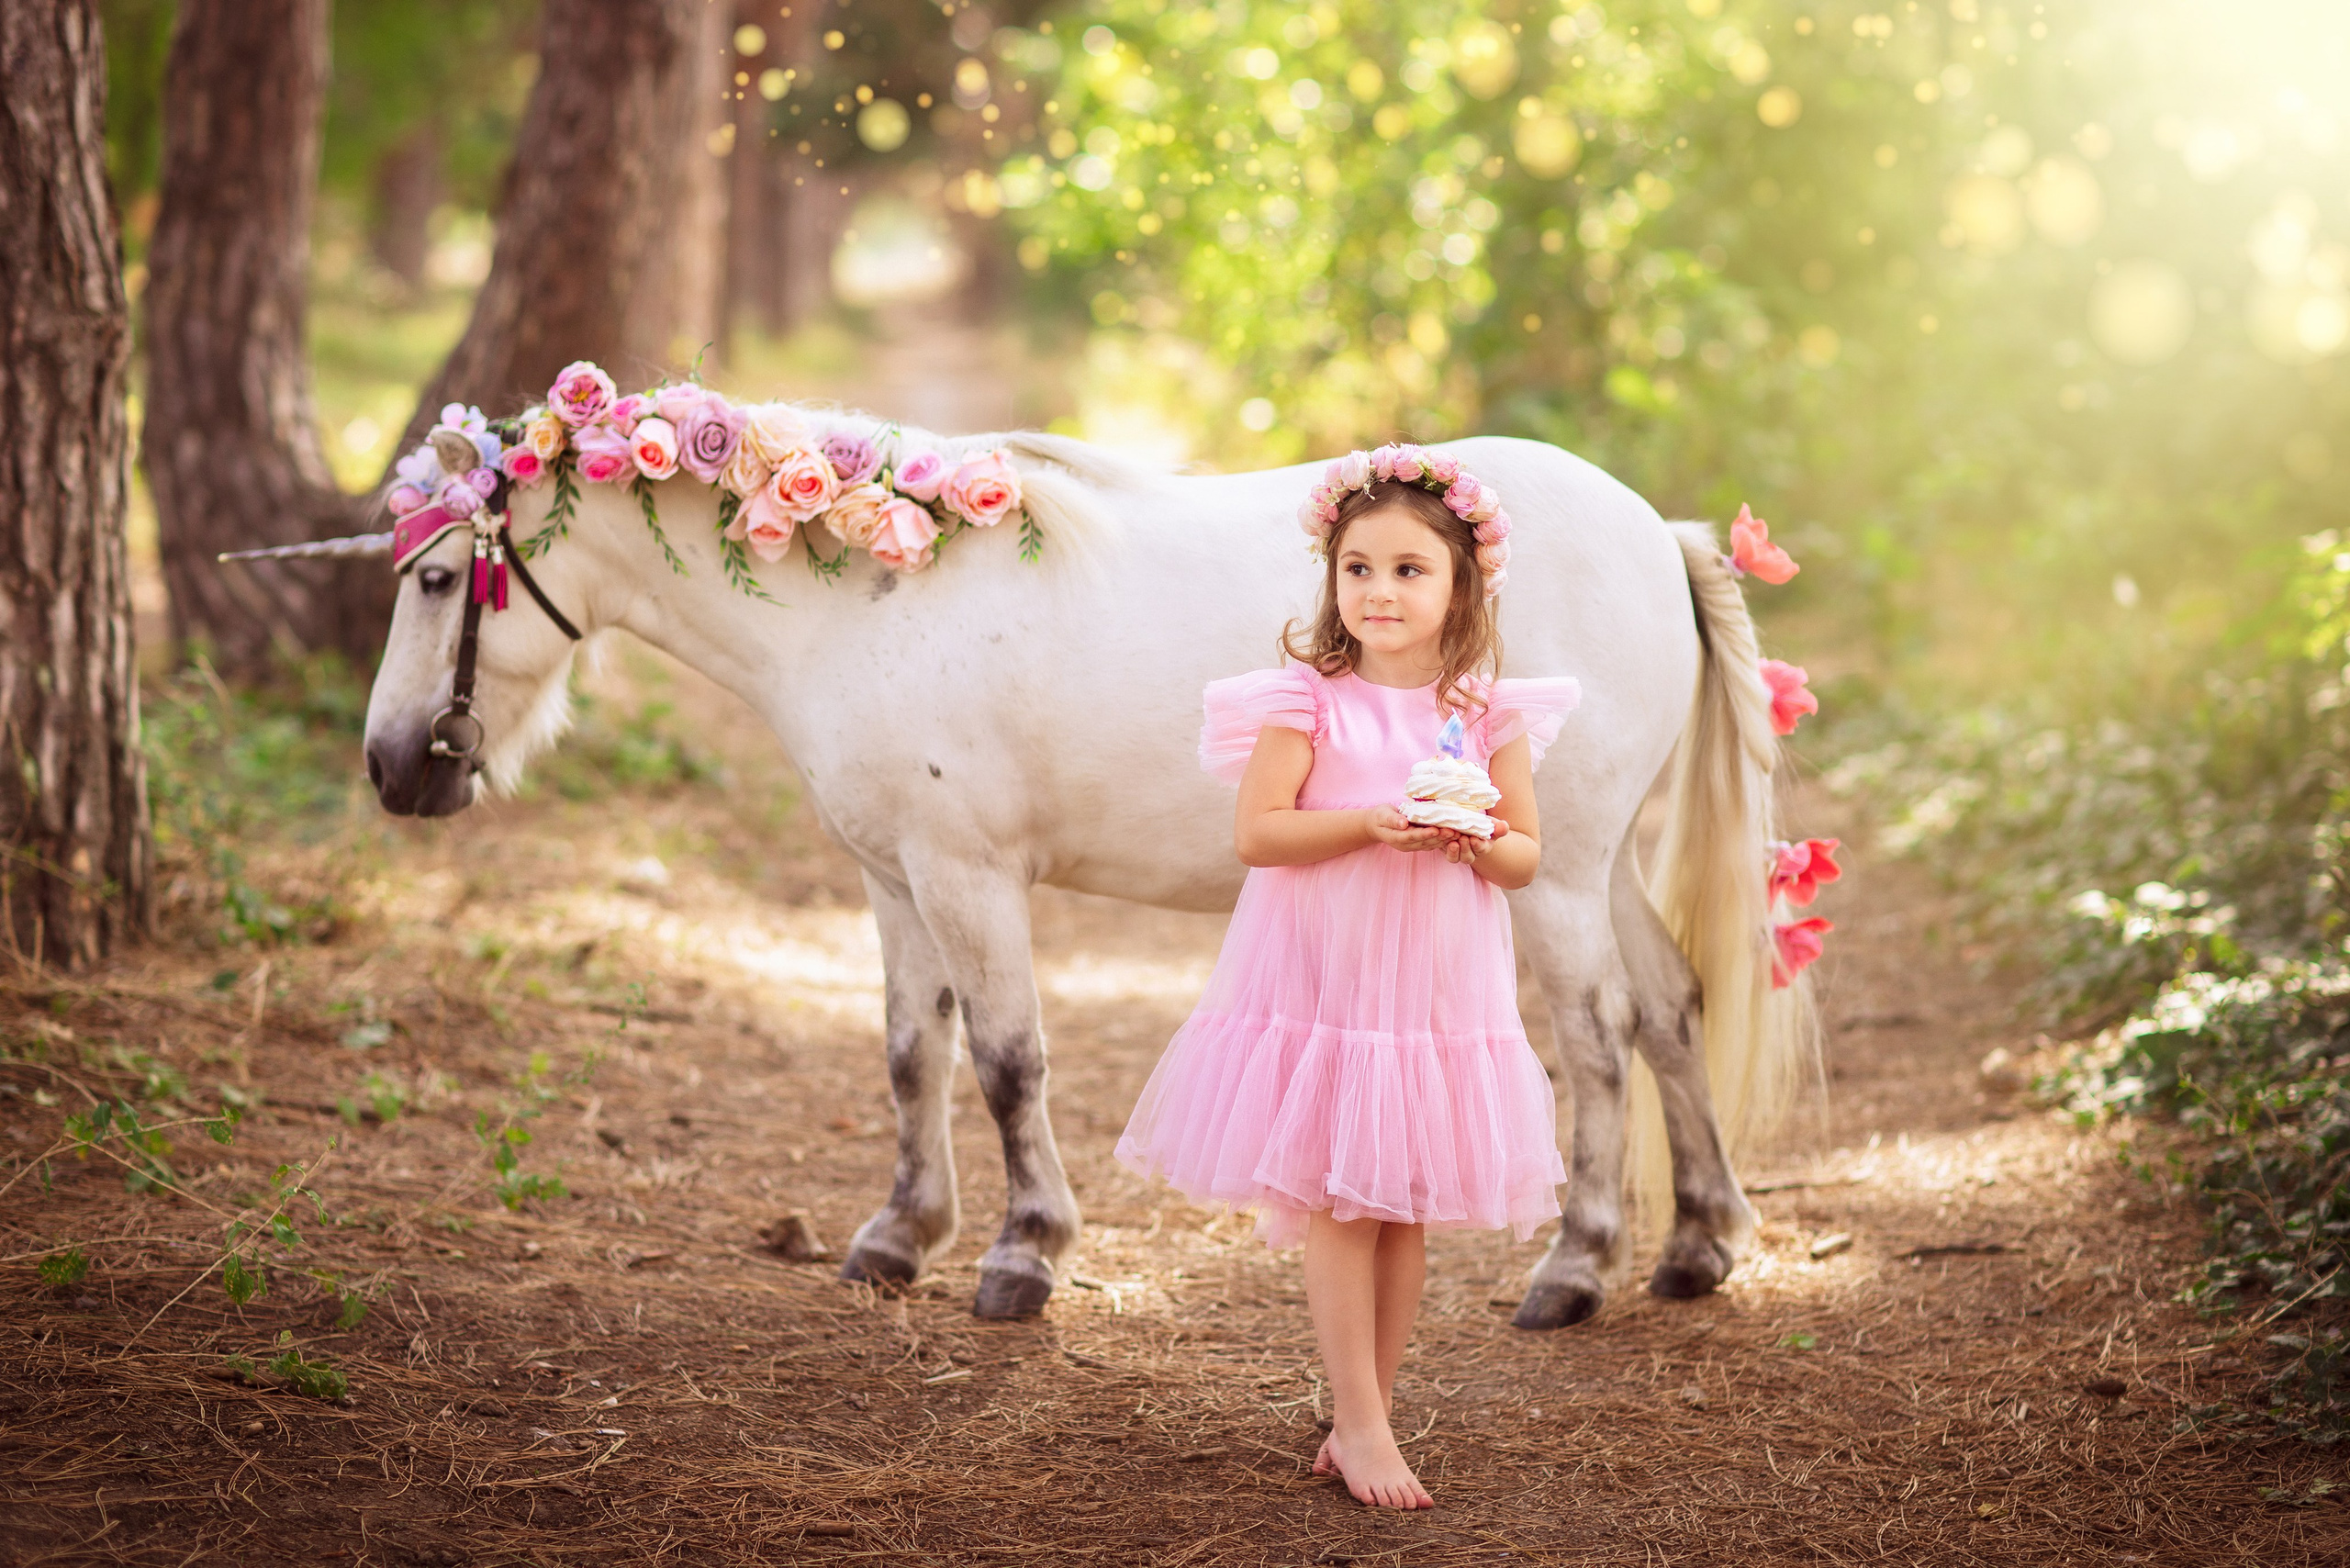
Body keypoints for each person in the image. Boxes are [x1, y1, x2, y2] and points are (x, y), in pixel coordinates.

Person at [1115, 447, 1580, 1509]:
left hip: (1430, 987)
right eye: (1357, 568)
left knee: (1403, 1204)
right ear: (1331, 580)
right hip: (1329, 979)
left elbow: (1524, 856)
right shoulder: (1306, 699)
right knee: (1339, 1194)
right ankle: (1361, 1423)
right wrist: (1369, 823)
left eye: (1410, 570)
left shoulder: (1483, 711)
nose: (1379, 590)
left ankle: (1367, 1407)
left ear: (1461, 584)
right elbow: (1259, 834)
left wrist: (1471, 836)